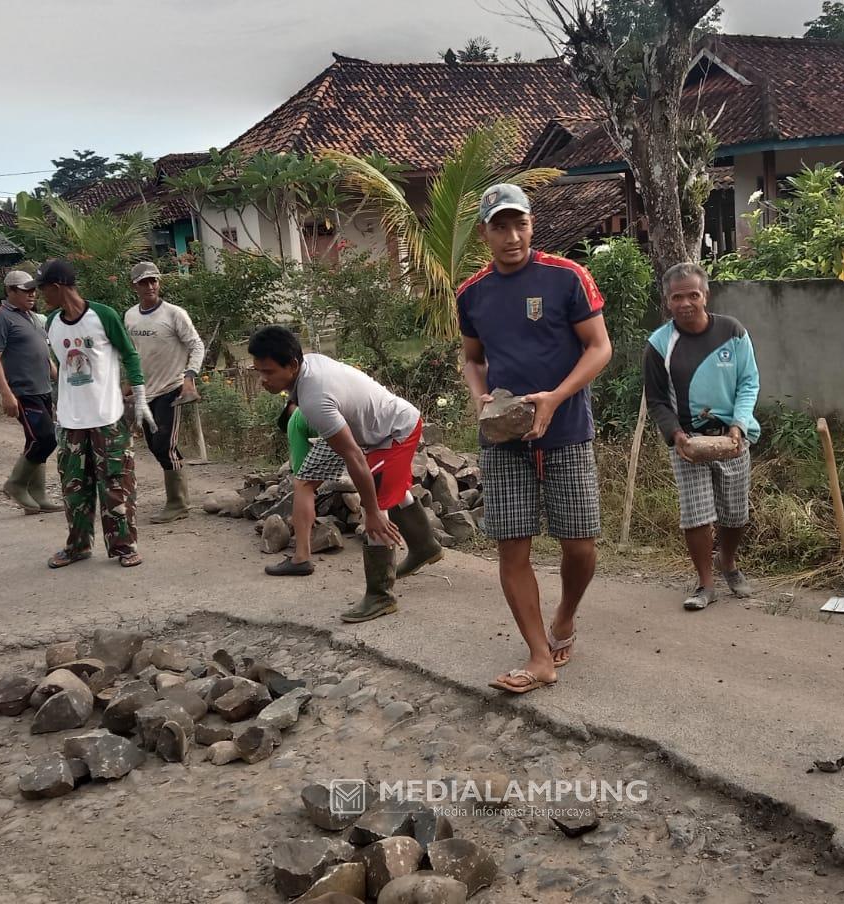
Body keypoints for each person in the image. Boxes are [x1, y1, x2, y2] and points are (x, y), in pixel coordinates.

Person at [457, 183, 613, 693]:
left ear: (532, 224)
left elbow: (599, 348)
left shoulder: (567, 277)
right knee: (512, 547)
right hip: (503, 438)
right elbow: (473, 358)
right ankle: (539, 655)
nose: (512, 236)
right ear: (484, 232)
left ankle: (565, 614)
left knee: (579, 544)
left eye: (519, 223)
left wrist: (555, 396)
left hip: (565, 430)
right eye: (499, 226)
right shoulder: (472, 293)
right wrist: (479, 396)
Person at [248, 326, 442, 619]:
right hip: (369, 431)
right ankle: (425, 546)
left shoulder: (315, 399)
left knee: (377, 502)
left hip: (394, 432)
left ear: (292, 365)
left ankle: (380, 596)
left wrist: (373, 510)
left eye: (269, 372)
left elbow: (353, 456)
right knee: (379, 488)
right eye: (258, 371)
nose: (263, 380)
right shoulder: (307, 367)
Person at [643, 262, 761, 611]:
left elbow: (748, 382)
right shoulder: (659, 345)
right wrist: (676, 435)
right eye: (677, 297)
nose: (685, 303)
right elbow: (657, 401)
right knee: (696, 514)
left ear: (705, 295)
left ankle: (729, 563)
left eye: (693, 295)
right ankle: (705, 583)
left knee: (735, 514)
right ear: (667, 301)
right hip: (688, 444)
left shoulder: (733, 332)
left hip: (732, 439)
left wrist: (738, 425)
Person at [37, 258, 157, 569]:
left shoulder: (103, 316)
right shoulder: (52, 323)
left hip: (108, 419)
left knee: (116, 485)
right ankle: (78, 546)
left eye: (43, 288)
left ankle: (123, 547)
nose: (40, 295)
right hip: (71, 421)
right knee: (74, 488)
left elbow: (129, 355)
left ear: (58, 286)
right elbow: (63, 366)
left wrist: (140, 398)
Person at [122, 261, 206, 523]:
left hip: (173, 387)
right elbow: (131, 352)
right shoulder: (130, 316)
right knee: (155, 446)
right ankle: (177, 498)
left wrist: (190, 377)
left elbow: (196, 345)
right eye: (144, 282)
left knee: (164, 444)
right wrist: (127, 382)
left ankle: (178, 503)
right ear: (134, 286)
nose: (150, 286)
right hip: (145, 393)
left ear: (159, 283)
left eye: (153, 281)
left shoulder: (174, 314)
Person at [0, 270, 63, 515]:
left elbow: (42, 347)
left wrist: (53, 369)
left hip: (42, 388)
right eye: (25, 290)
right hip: (23, 391)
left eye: (33, 290)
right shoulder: (0, 318)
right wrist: (6, 393)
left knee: (35, 440)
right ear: (9, 291)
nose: (32, 294)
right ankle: (15, 484)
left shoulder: (32, 317)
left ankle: (37, 495)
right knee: (46, 438)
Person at [266, 400, 332, 577]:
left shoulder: (295, 420)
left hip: (338, 429)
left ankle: (301, 558)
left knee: (302, 485)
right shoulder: (319, 401)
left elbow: (301, 475)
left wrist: (304, 503)